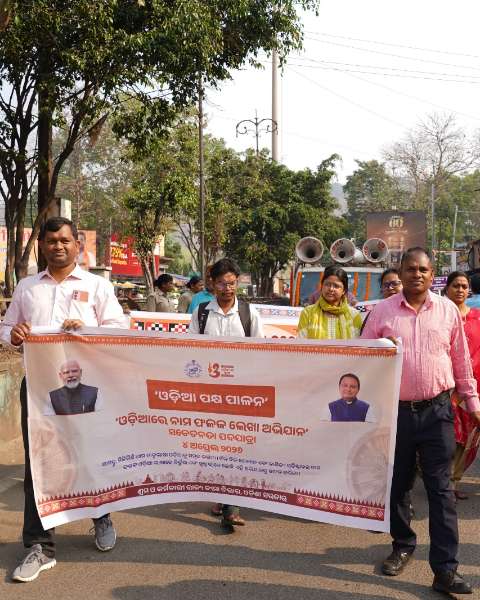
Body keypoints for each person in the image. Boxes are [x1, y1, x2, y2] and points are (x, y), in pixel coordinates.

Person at [0, 217, 127, 582]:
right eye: (52, 240)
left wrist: (86, 330)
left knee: (89, 456)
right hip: (40, 388)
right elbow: (6, 328)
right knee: (39, 465)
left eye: (65, 240)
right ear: (41, 245)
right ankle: (40, 547)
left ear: (78, 246)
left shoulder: (97, 286)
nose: (58, 245)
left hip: (87, 390)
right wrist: (15, 334)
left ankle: (101, 516)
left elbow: (118, 328)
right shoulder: (28, 287)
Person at [361, 247, 480, 595]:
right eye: (410, 269)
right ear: (400, 272)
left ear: (432, 274)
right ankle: (402, 545)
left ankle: (445, 569)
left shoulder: (447, 311)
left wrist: (473, 403)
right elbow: (361, 357)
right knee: (398, 484)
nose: (417, 274)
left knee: (440, 491)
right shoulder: (381, 312)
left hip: (438, 412)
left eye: (423, 270)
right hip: (395, 411)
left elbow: (460, 361)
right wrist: (379, 351)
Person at [189, 258, 264, 531]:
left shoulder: (248, 312)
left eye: (231, 283)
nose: (227, 288)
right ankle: (222, 498)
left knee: (237, 447)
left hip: (240, 394)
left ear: (238, 282)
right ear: (212, 284)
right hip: (209, 394)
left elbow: (261, 351)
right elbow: (189, 349)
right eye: (221, 283)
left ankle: (231, 507)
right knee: (214, 447)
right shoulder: (201, 312)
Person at [444, 271, 480, 500]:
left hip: (474, 386)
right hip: (447, 386)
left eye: (464, 286)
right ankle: (442, 481)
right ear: (447, 288)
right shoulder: (441, 315)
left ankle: (454, 481)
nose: (460, 290)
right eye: (456, 285)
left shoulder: (477, 317)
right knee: (449, 435)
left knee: (469, 436)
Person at [297, 265, 362, 339]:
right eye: (327, 284)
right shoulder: (307, 313)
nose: (331, 289)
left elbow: (357, 343)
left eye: (336, 286)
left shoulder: (354, 315)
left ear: (344, 290)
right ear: (322, 286)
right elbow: (301, 342)